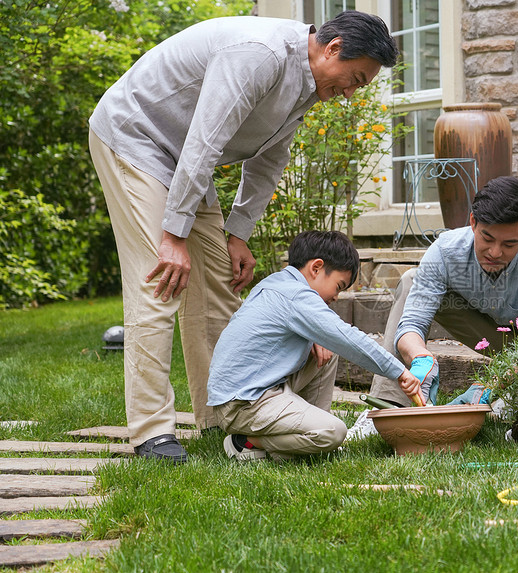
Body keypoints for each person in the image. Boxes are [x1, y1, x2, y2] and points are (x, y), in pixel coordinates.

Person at [88, 11, 398, 462]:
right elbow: (205, 141)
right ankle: (152, 432)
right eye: (354, 79)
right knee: (160, 281)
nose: (350, 93)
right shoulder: (261, 54)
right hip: (136, 138)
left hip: (183, 156)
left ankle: (222, 414)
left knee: (216, 285)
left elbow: (269, 159)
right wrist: (173, 236)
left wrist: (236, 233)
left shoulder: (308, 85)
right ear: (332, 49)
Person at [348, 176, 518, 439]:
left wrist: (489, 386)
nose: (494, 252)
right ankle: (387, 407)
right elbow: (411, 324)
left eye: (509, 243)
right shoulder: (445, 251)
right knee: (410, 281)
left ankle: (506, 410)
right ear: (472, 222)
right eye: (487, 238)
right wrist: (421, 358)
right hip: (491, 330)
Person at [207, 230, 422, 460]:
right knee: (334, 432)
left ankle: (312, 434)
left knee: (327, 349)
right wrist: (399, 372)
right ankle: (246, 443)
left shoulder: (278, 282)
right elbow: (347, 338)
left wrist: (314, 338)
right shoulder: (296, 296)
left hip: (257, 386)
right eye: (338, 286)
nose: (336, 297)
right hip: (242, 403)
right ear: (316, 268)